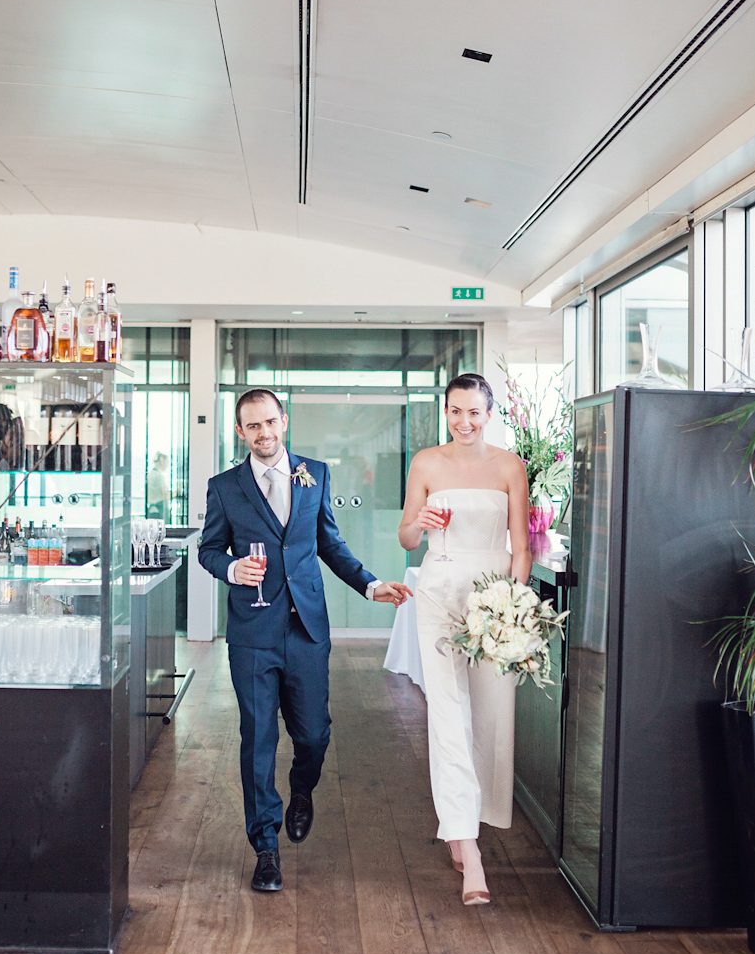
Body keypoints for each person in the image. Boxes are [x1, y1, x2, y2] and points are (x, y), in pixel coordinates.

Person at [199, 388, 412, 893]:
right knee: (258, 741)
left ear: (284, 421)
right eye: (253, 426)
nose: (264, 433)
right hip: (252, 632)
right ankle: (265, 846)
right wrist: (232, 567)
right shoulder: (225, 487)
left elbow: (329, 543)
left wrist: (369, 583)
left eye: (270, 422)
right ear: (240, 431)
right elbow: (208, 549)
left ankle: (301, 791)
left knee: (313, 736)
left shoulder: (313, 472)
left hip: (307, 630)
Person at [397, 373, 530, 906]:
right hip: (439, 590)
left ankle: (470, 820)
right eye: (455, 411)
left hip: (494, 592)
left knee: (494, 713)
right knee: (447, 713)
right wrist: (420, 522)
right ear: (446, 411)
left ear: (489, 413)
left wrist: (513, 605)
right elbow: (407, 536)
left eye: (474, 412)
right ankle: (466, 843)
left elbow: (520, 546)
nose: (464, 422)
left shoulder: (509, 466)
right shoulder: (426, 462)